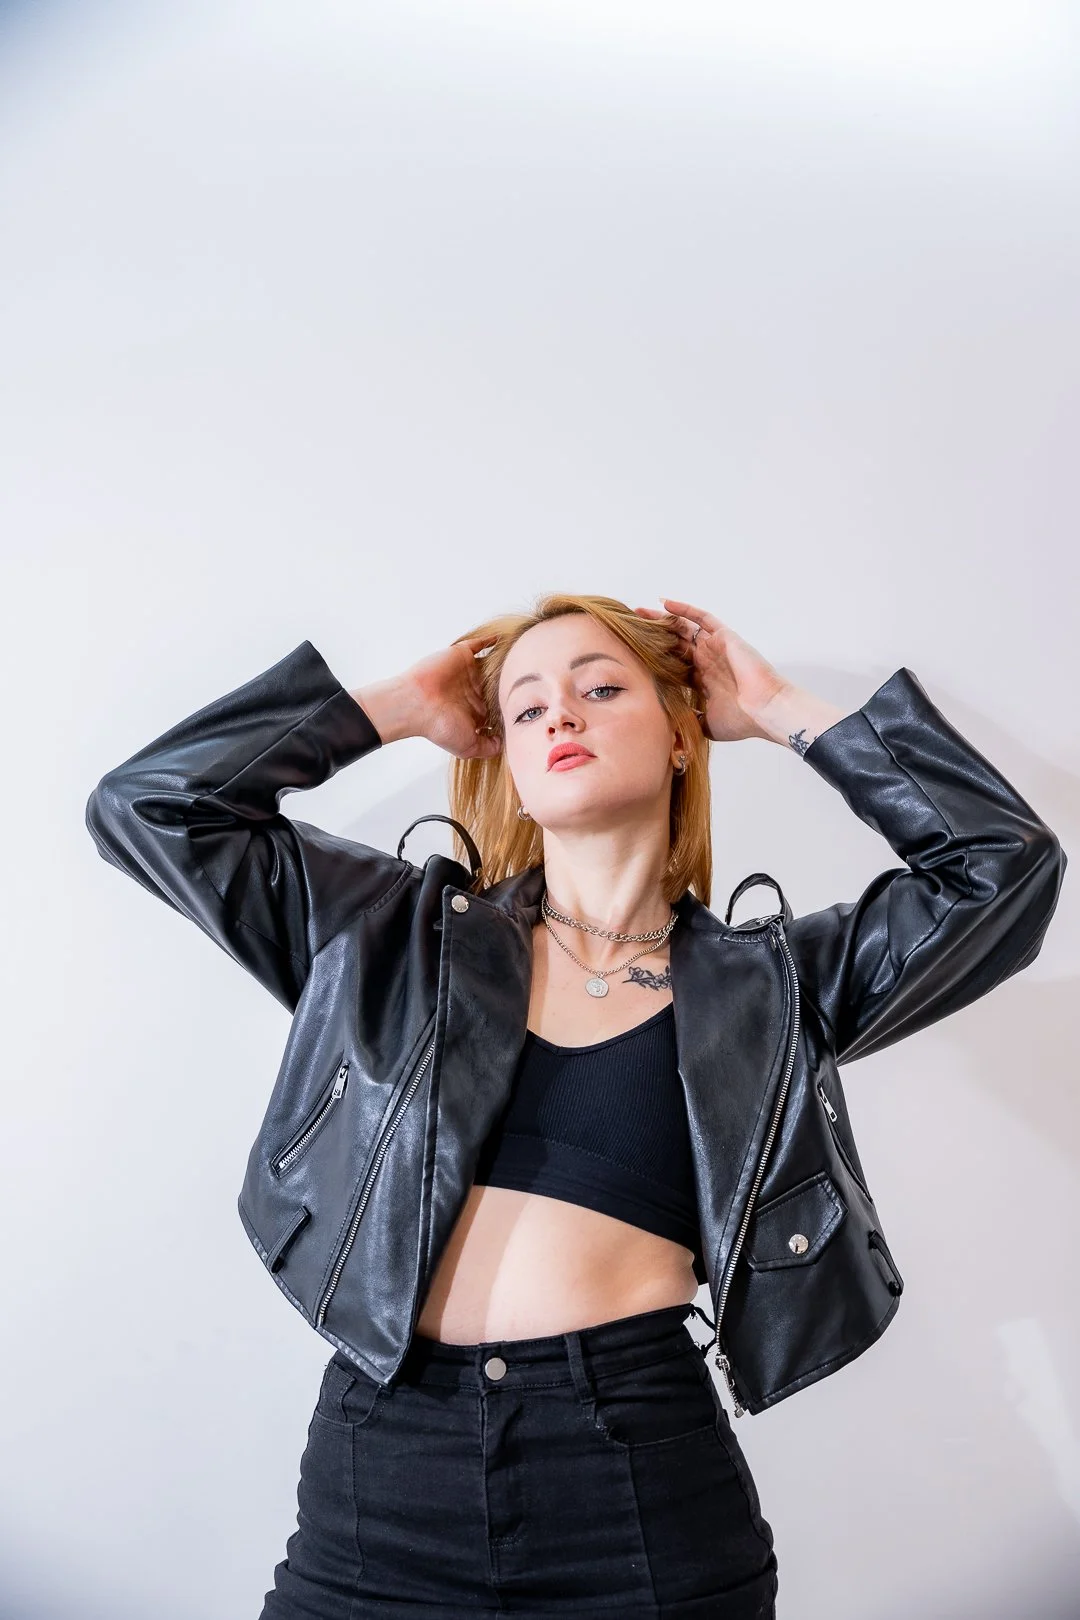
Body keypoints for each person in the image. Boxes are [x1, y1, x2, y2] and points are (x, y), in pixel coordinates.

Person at [85, 591, 1066, 1618]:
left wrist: (778, 708)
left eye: (601, 688)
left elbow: (1004, 870)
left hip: (635, 1482)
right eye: (526, 707)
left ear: (683, 736)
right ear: (501, 756)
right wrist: (392, 709)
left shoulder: (776, 982)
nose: (562, 715)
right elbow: (147, 806)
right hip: (383, 1470)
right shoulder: (386, 937)